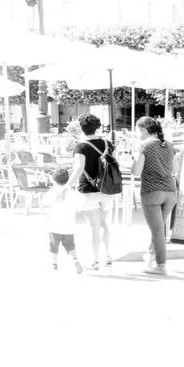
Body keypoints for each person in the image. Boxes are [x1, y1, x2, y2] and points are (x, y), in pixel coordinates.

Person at [133, 116, 178, 276]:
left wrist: (134, 159)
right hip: (170, 192)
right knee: (159, 230)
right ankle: (150, 258)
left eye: (138, 130)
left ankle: (161, 265)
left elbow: (136, 172)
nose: (137, 133)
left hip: (152, 191)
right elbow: (175, 169)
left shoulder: (143, 146)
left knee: (157, 231)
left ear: (144, 130)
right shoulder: (169, 145)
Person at [72, 113, 117, 270]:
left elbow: (78, 168)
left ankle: (95, 260)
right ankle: (108, 256)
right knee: (103, 223)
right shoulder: (108, 143)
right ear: (97, 126)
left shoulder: (81, 146)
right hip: (107, 188)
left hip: (88, 189)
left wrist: (67, 186)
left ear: (81, 128)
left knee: (94, 227)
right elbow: (112, 164)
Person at [42, 168, 83, 274]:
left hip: (54, 225)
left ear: (54, 181)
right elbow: (78, 207)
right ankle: (75, 260)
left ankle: (54, 264)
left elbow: (44, 202)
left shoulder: (53, 191)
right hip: (68, 225)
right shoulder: (71, 192)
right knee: (70, 246)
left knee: (53, 246)